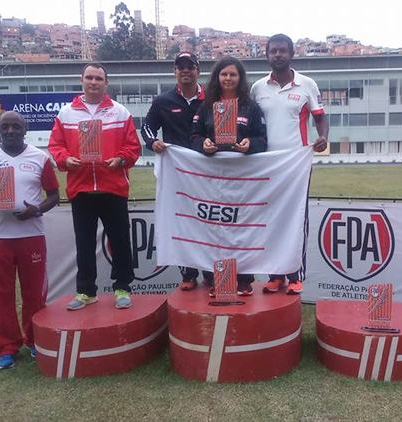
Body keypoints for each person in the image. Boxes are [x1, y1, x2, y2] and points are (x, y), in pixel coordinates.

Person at [0, 111, 60, 370]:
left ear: (25, 130)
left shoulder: (39, 157)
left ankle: (34, 340)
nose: (10, 131)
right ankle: (6, 348)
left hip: (31, 235)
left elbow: (54, 196)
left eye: (15, 127)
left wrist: (37, 209)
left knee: (34, 294)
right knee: (0, 295)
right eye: (5, 127)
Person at [48, 62, 141, 311]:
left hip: (114, 187)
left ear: (106, 83)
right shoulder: (66, 114)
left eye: (99, 78)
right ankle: (86, 291)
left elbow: (133, 147)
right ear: (82, 81)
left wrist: (120, 159)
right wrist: (65, 159)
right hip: (81, 188)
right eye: (89, 78)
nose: (94, 82)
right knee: (84, 242)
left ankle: (123, 287)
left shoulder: (120, 112)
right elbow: (55, 146)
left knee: (120, 241)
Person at [250, 33, 329, 295]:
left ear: (292, 54)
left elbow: (320, 118)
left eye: (283, 51)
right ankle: (275, 275)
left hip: (296, 165)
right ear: (267, 55)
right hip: (265, 166)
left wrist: (323, 137)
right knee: (270, 219)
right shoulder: (257, 88)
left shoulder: (307, 85)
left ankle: (295, 274)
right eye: (273, 51)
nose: (278, 55)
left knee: (296, 220)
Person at [189, 56, 267, 295]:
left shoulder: (251, 107)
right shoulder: (206, 106)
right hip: (212, 181)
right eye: (224, 74)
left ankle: (243, 280)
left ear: (240, 78)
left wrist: (249, 144)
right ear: (217, 77)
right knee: (215, 229)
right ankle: (214, 279)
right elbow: (192, 137)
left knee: (240, 229)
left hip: (243, 181)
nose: (228, 78)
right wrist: (204, 144)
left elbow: (263, 140)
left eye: (233, 74)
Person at [141, 52, 205, 291]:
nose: (185, 71)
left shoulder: (211, 99)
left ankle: (210, 270)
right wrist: (152, 142)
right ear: (175, 72)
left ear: (198, 70)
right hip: (176, 173)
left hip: (206, 174)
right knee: (181, 222)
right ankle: (187, 273)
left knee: (206, 219)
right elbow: (146, 127)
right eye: (181, 67)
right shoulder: (162, 101)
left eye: (190, 67)